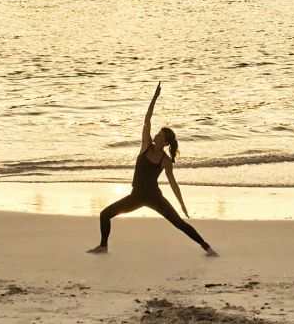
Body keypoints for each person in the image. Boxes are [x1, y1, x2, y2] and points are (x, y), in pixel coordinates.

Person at [88, 84, 217, 256]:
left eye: (160, 135)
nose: (156, 135)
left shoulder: (165, 161)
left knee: (178, 223)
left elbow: (173, 184)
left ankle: (206, 247)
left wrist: (182, 206)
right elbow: (147, 119)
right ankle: (103, 246)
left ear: (165, 142)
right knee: (105, 214)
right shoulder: (146, 146)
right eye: (157, 133)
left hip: (155, 197)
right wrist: (154, 98)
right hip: (136, 196)